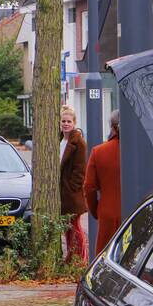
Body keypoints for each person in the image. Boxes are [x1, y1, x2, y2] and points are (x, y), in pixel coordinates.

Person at [84, 110, 122, 258]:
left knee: (106, 257)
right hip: (137, 213)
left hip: (108, 213)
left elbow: (89, 187)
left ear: (112, 127)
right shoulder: (142, 152)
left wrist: (96, 210)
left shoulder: (99, 152)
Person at [60, 105, 89, 264]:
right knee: (67, 226)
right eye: (63, 121)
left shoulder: (79, 143)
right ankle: (71, 256)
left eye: (68, 121)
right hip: (61, 192)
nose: (65, 124)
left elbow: (80, 170)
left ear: (74, 122)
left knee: (74, 225)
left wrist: (72, 187)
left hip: (71, 193)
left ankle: (81, 258)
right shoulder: (59, 140)